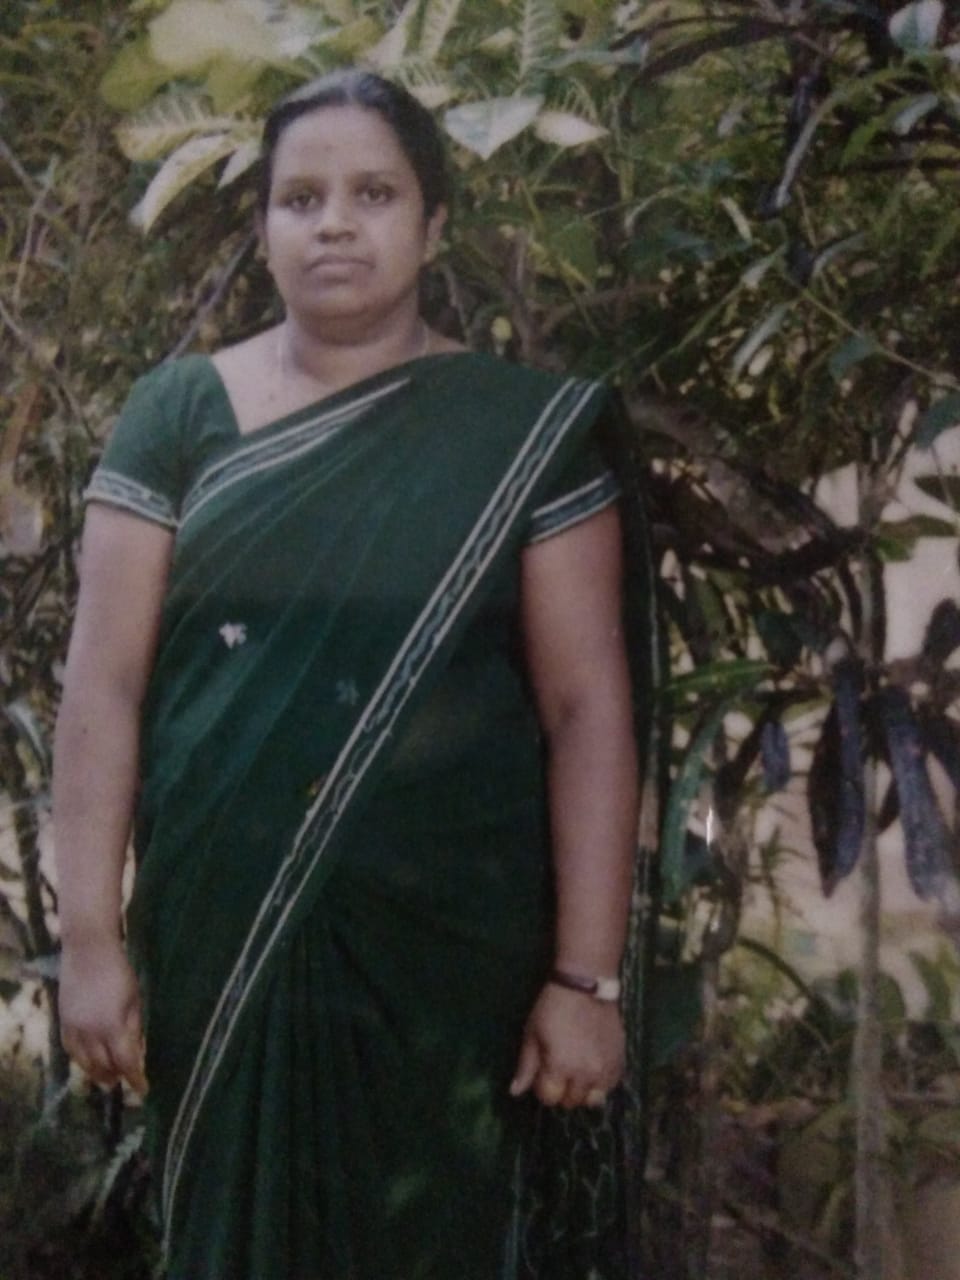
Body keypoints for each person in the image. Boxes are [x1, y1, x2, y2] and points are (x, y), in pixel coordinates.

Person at [53, 70, 640, 1280]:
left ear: (433, 224)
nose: (334, 223)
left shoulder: (518, 435)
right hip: (224, 931)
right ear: (264, 226)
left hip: (452, 952)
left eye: (375, 194)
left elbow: (586, 710)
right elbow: (103, 686)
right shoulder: (177, 415)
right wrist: (92, 939)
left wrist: (586, 976)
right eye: (300, 197)